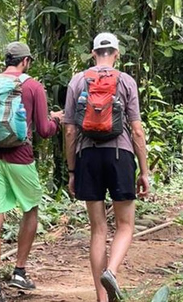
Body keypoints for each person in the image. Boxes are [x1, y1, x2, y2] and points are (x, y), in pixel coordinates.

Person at [0, 42, 64, 302]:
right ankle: (19, 271)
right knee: (30, 210)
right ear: (26, 61)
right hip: (21, 158)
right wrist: (56, 119)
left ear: (6, 60)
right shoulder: (32, 87)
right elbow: (44, 130)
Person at [63, 33, 150, 302]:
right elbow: (136, 131)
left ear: (93, 53)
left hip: (87, 156)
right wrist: (145, 171)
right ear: (117, 53)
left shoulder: (78, 80)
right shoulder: (126, 81)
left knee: (98, 228)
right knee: (125, 224)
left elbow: (68, 130)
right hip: (119, 154)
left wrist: (72, 170)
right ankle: (111, 271)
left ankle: (101, 298)